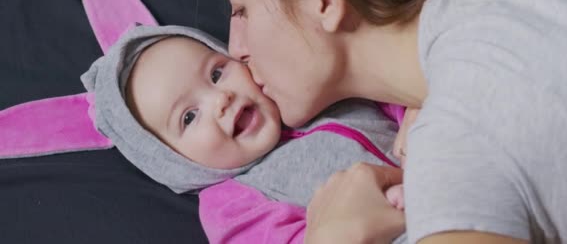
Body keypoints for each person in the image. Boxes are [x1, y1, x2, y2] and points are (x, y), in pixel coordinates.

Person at [211, 0, 567, 243]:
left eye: (241, 8)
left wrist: (332, 237)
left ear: (323, 0)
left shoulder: (457, 170)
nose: (235, 49)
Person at [81, 24, 407, 243]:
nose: (221, 100)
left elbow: (383, 88)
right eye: (189, 117)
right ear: (173, 161)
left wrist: (415, 115)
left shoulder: (305, 91)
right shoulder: (231, 203)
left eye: (217, 73)